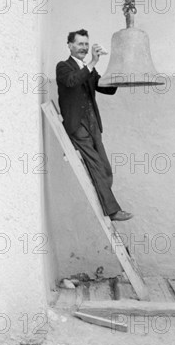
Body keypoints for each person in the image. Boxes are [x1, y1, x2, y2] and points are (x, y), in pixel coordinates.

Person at [56, 28, 133, 221]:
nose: (84, 48)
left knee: (105, 168)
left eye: (86, 44)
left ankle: (104, 198)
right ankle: (113, 211)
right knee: (97, 165)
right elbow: (73, 82)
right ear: (70, 45)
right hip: (77, 126)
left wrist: (117, 72)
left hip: (93, 124)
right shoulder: (63, 67)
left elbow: (105, 89)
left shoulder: (88, 68)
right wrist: (91, 63)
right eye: (80, 44)